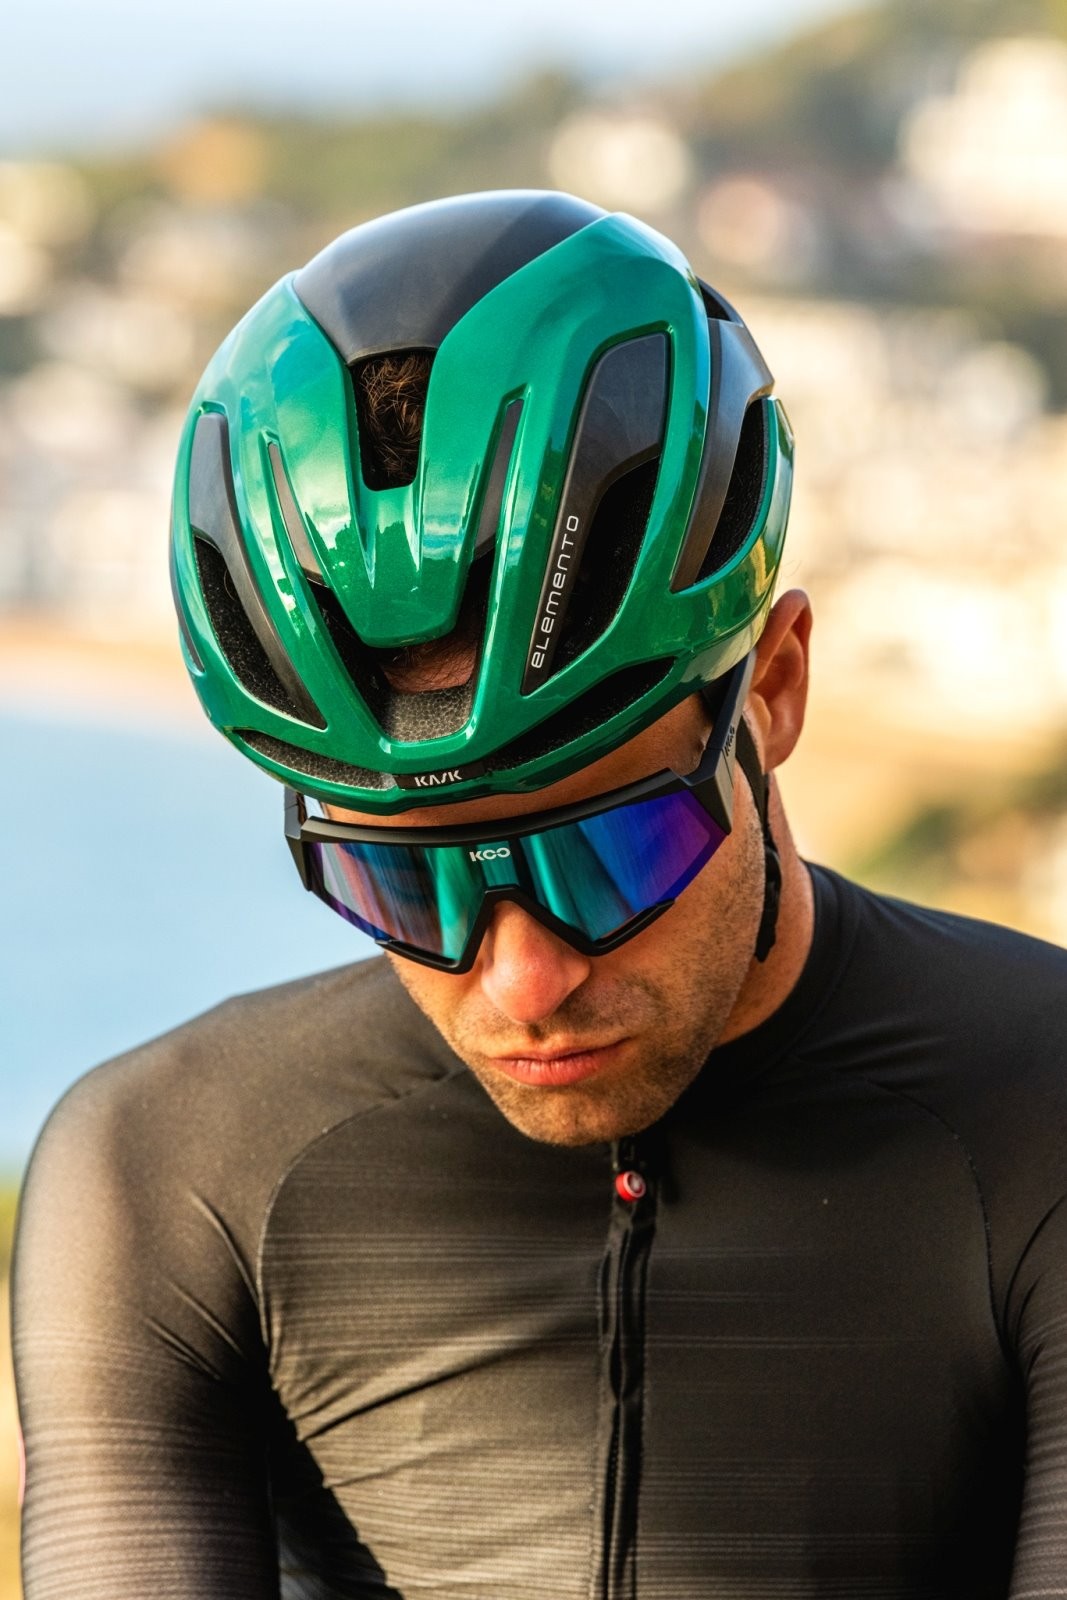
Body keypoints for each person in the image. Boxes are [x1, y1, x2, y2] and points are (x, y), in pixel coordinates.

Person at [11, 189, 1067, 1600]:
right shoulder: (165, 1171)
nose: (521, 981)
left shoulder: (1050, 1110)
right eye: (400, 877)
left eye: (603, 853)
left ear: (774, 690)